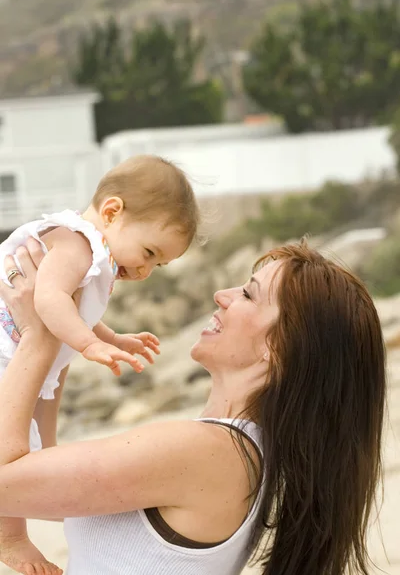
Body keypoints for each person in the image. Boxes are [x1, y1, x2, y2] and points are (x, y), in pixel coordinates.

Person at [0, 238, 386, 575]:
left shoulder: (207, 452)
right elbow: (39, 486)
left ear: (278, 348)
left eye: (248, 294)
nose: (223, 295)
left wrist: (37, 338)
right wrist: (61, 343)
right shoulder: (243, 454)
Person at [0, 154, 200, 574]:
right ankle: (10, 537)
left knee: (36, 450)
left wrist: (110, 335)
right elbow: (49, 299)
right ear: (112, 211)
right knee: (8, 451)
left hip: (24, 358)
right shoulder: (76, 242)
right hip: (6, 355)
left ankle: (38, 486)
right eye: (149, 252)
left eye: (157, 264)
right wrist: (89, 345)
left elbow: (79, 307)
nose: (145, 270)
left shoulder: (92, 251)